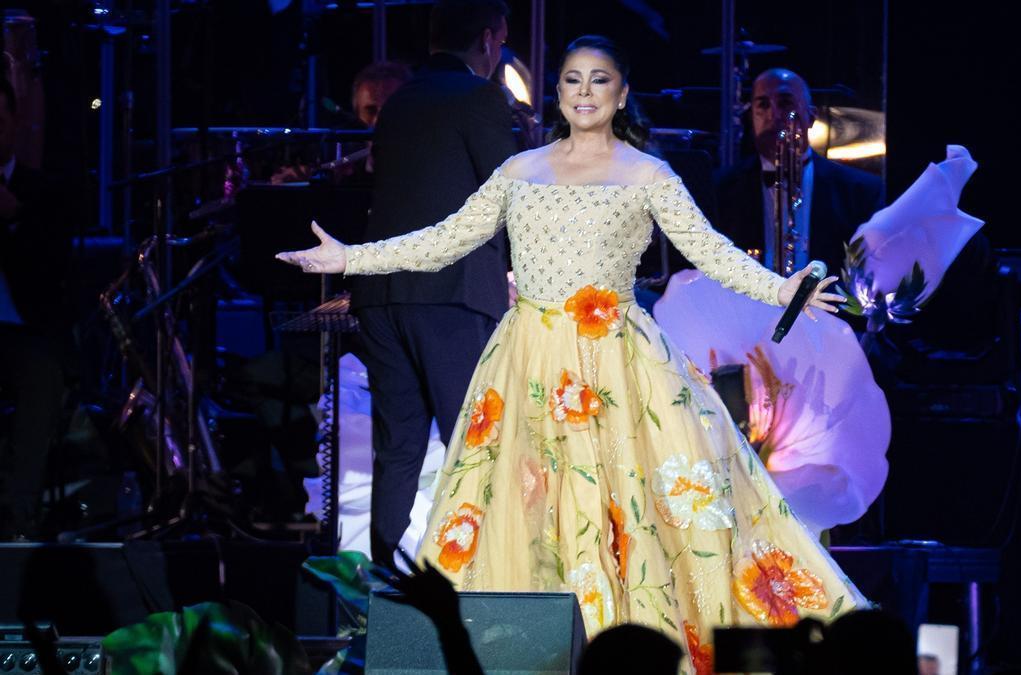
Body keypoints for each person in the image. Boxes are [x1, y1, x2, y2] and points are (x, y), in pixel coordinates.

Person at [277, 34, 865, 666]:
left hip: (615, 362)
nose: (585, 92)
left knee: (629, 506)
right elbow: (443, 240)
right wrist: (350, 259)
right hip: (528, 360)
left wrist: (783, 289)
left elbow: (710, 250)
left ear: (621, 93)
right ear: (557, 93)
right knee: (524, 505)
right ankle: (516, 657)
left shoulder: (647, 175)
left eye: (599, 80)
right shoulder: (519, 172)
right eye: (573, 80)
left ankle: (625, 650)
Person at [347, 0, 516, 570]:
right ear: (491, 40)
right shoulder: (481, 97)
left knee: (397, 450)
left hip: (382, 296)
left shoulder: (400, 100)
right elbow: (509, 194)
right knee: (472, 446)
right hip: (452, 294)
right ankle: (477, 587)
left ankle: (386, 591)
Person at [715, 68, 885, 275]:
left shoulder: (861, 193)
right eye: (763, 105)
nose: (773, 115)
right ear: (751, 117)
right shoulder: (719, 190)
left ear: (811, 116)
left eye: (785, 103)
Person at [0, 77, 69, 541]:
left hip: (20, 329)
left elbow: (53, 276)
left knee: (42, 375)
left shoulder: (41, 191)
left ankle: (17, 516)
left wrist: (14, 218)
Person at [269, 60, 411, 184]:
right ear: (357, 114)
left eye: (391, 108)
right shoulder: (345, 169)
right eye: (370, 110)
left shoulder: (427, 165)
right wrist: (308, 180)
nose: (380, 120)